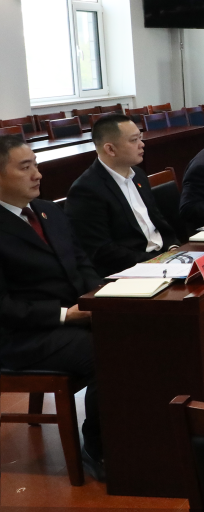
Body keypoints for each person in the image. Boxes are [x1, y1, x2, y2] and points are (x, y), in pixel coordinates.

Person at [0, 134, 106, 481]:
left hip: (72, 316)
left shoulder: (48, 210)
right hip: (20, 336)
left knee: (137, 329)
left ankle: (139, 428)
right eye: (25, 167)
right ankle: (98, 446)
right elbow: (4, 307)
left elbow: (81, 261)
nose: (38, 174)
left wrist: (97, 298)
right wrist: (65, 315)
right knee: (107, 350)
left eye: (36, 165)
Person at [65, 114, 180, 276]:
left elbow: (157, 220)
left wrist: (173, 247)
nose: (142, 144)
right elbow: (101, 251)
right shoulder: (86, 190)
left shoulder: (138, 175)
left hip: (162, 258)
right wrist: (155, 262)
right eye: (134, 140)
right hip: (130, 269)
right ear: (110, 149)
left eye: (140, 138)